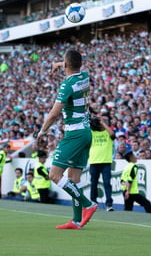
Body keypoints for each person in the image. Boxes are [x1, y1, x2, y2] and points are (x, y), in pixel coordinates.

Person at [36, 49, 97, 230]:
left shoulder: (66, 85)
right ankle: (76, 221)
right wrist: (59, 64)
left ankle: (88, 204)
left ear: (66, 64)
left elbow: (54, 114)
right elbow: (73, 65)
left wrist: (42, 131)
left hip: (74, 134)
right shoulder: (84, 77)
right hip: (86, 132)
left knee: (54, 175)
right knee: (74, 178)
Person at [88, 116, 115, 211]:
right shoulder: (92, 133)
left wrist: (103, 123)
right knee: (93, 183)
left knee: (107, 183)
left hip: (106, 162)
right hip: (94, 161)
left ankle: (109, 203)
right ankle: (93, 202)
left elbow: (112, 134)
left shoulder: (107, 133)